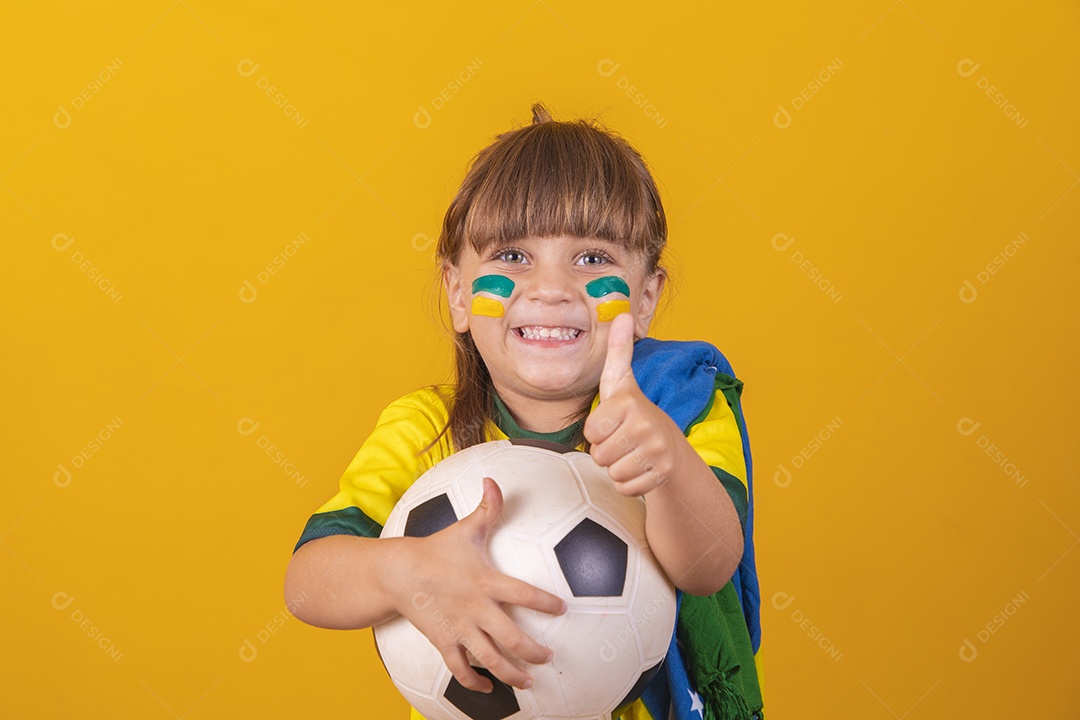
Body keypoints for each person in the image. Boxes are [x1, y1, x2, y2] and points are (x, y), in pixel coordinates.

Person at [284, 102, 763, 720]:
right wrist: (400, 571)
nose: (551, 287)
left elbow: (710, 568)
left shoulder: (678, 410)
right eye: (512, 256)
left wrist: (666, 466)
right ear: (458, 293)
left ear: (645, 300)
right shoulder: (423, 429)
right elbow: (306, 583)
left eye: (593, 259)